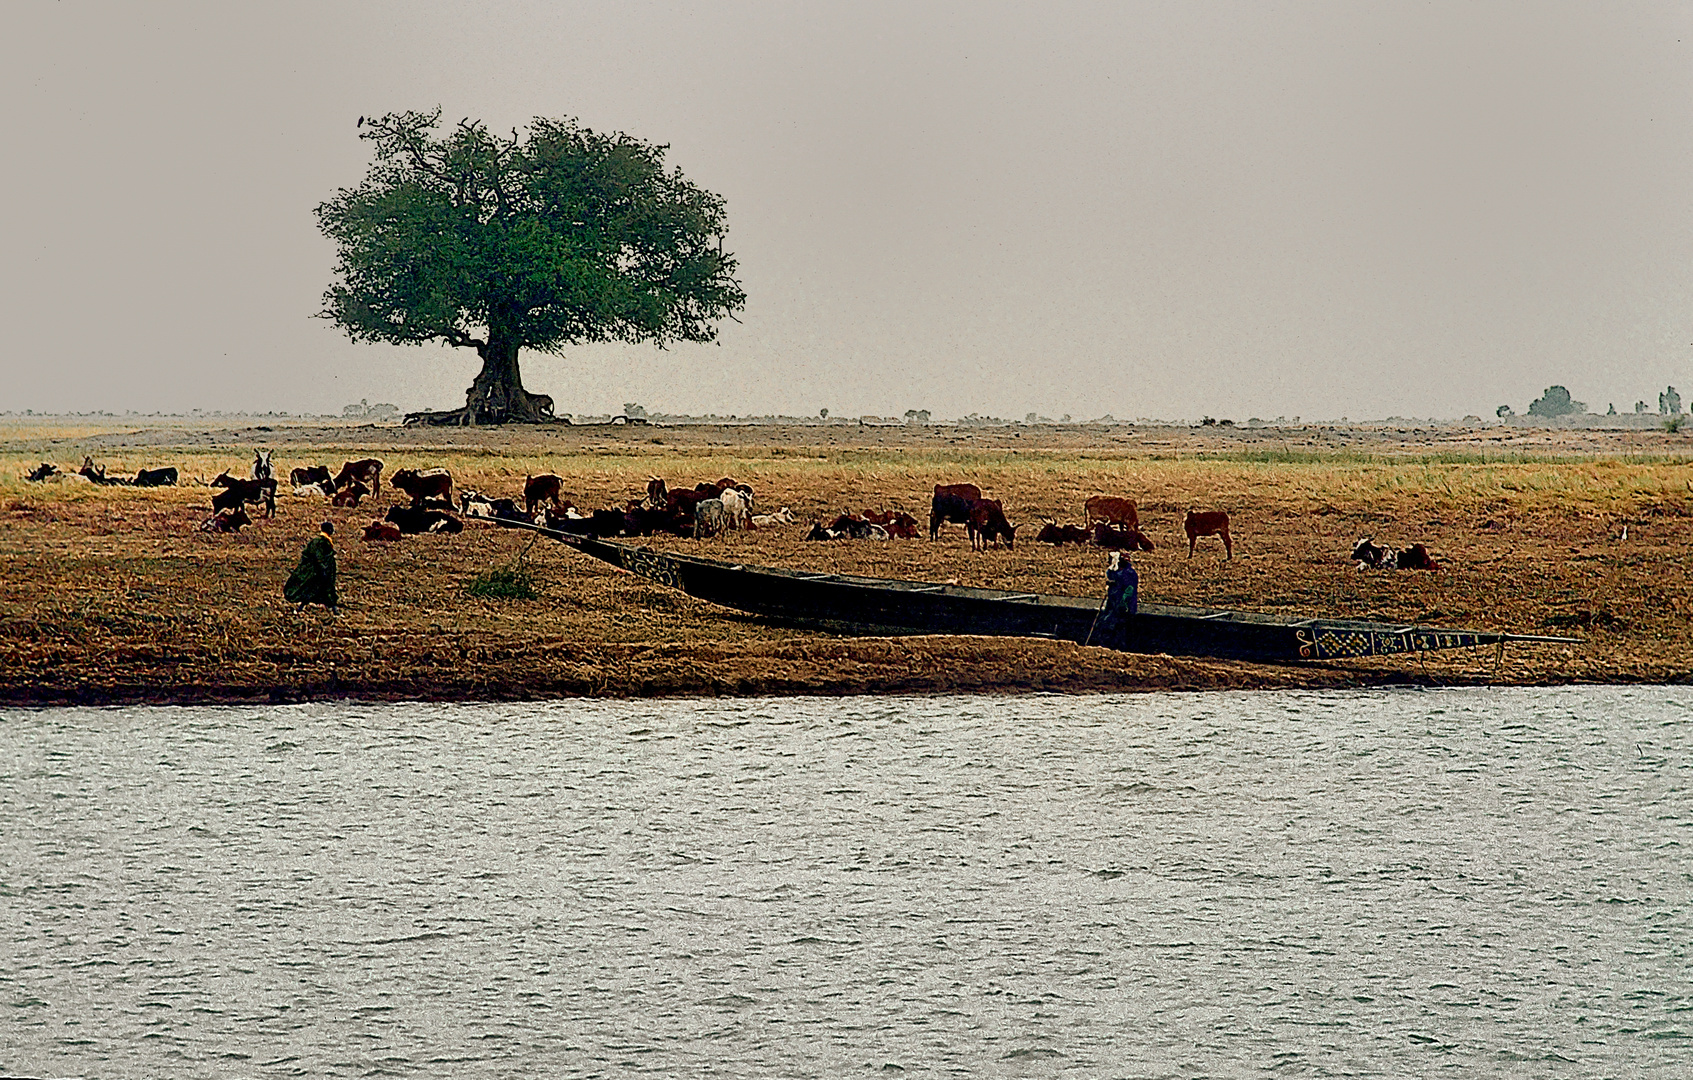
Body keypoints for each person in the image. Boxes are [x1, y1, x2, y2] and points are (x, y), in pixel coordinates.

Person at [285, 520, 338, 613]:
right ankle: (334, 609)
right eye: (331, 529)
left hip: (321, 571)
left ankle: (334, 609)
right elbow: (318, 557)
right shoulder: (319, 542)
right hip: (316, 571)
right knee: (315, 589)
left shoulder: (325, 541)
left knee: (321, 589)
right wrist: (323, 569)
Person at [1091, 550, 1138, 649]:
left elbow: (1129, 589)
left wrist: (1124, 604)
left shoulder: (1128, 573)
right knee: (1106, 622)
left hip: (1123, 605)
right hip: (1113, 602)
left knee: (1118, 626)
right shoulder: (1116, 572)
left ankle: (1117, 646)